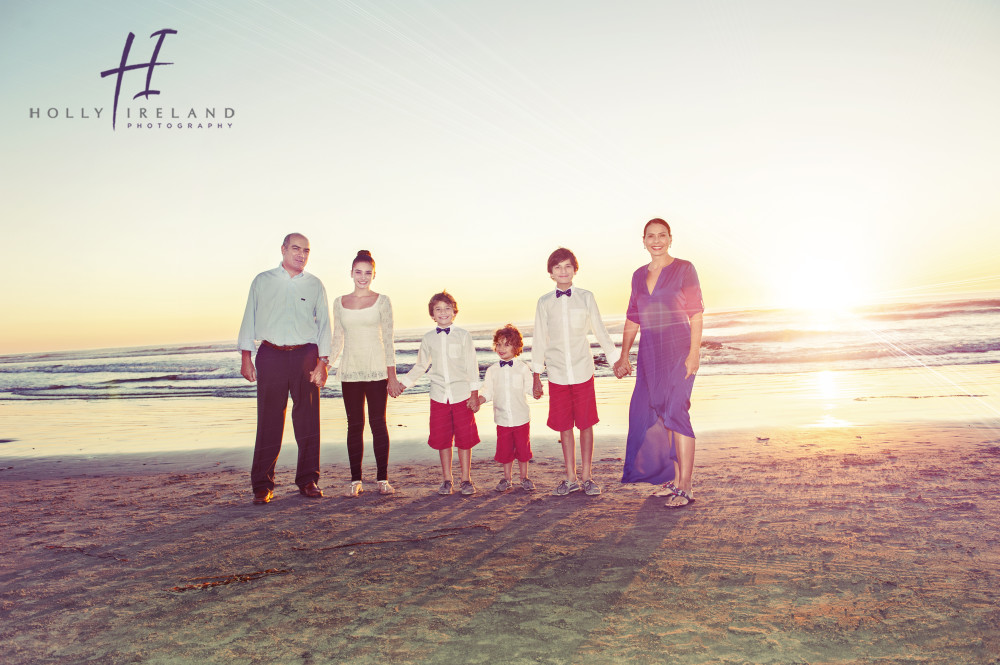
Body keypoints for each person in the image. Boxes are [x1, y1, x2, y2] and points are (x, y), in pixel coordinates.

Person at [614, 218, 704, 508]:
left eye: (662, 235)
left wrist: (694, 353)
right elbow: (632, 317)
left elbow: (696, 314)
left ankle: (686, 486)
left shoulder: (684, 269)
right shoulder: (638, 275)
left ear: (670, 238)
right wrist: (624, 354)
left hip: (678, 350)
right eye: (650, 236)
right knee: (660, 414)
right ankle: (672, 480)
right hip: (651, 353)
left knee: (677, 410)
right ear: (643, 240)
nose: (656, 240)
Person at [238, 233, 331, 505]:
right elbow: (249, 318)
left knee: (308, 420)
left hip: (306, 355)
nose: (301, 254)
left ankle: (308, 480)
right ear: (283, 249)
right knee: (269, 420)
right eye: (295, 248)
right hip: (271, 354)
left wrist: (323, 362)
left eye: (306, 250)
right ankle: (262, 485)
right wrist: (247, 356)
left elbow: (325, 325)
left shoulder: (315, 285)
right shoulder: (262, 281)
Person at [532, 248, 621, 497]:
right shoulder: (544, 302)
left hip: (583, 370)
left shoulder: (586, 297)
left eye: (568, 266)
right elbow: (540, 339)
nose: (563, 271)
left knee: (586, 423)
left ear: (575, 269)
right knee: (564, 426)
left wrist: (615, 360)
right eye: (558, 267)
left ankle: (587, 477)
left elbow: (600, 331)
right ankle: (570, 478)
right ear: (550, 273)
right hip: (557, 374)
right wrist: (536, 375)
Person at [330, 250, 404, 497]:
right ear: (351, 273)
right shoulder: (339, 302)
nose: (363, 277)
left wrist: (391, 376)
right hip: (350, 371)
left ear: (374, 274)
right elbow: (337, 339)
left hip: (376, 370)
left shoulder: (383, 301)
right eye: (358, 272)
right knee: (354, 425)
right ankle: (355, 480)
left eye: (368, 273)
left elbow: (389, 339)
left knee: (378, 424)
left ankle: (382, 479)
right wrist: (324, 366)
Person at [398, 291, 481, 496]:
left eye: (447, 308)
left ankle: (466, 479)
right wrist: (403, 384)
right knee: (442, 439)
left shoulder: (463, 336)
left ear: (454, 312)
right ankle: (446, 479)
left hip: (461, 395)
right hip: (438, 396)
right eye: (438, 309)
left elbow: (472, 366)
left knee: (464, 438)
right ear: (432, 315)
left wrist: (474, 394)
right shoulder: (428, 339)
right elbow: (420, 366)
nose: (443, 312)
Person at [471, 324, 536, 492]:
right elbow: (488, 392)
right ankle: (507, 479)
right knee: (505, 451)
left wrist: (537, 391)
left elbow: (530, 388)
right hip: (502, 419)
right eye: (498, 344)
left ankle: (524, 477)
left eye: (506, 344)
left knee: (523, 449)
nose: (501, 348)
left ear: (516, 347)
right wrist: (479, 399)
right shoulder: (492, 371)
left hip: (521, 418)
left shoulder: (523, 368)